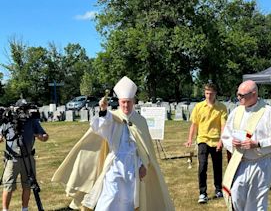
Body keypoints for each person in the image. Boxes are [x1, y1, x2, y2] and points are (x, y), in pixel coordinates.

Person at [52, 76, 174, 211]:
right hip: (114, 165)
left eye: (128, 102)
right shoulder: (113, 118)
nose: (126, 106)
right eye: (123, 102)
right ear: (119, 102)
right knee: (110, 197)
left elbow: (144, 148)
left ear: (133, 101)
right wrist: (103, 110)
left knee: (128, 201)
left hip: (133, 167)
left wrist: (143, 164)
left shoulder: (140, 121)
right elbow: (101, 125)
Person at [221, 80, 271, 211]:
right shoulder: (236, 112)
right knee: (236, 195)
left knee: (256, 202)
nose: (238, 98)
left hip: (260, 163)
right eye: (237, 94)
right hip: (240, 162)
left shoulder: (268, 112)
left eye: (242, 95)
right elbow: (226, 135)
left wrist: (258, 143)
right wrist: (232, 142)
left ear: (254, 94)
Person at [0, 99, 49, 211]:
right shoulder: (8, 121)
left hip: (28, 158)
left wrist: (43, 137)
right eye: (22, 108)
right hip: (12, 159)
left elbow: (44, 135)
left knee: (27, 185)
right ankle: (5, 209)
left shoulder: (32, 121)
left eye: (25, 108)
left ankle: (24, 209)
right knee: (8, 185)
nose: (24, 111)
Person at [184, 83, 227, 203]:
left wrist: (221, 141)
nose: (208, 96)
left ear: (215, 94)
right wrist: (189, 139)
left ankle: (218, 189)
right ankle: (202, 193)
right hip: (202, 140)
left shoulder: (222, 107)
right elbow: (194, 124)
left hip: (216, 140)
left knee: (217, 167)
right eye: (207, 93)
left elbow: (224, 126)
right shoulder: (198, 107)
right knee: (202, 166)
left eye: (211, 93)